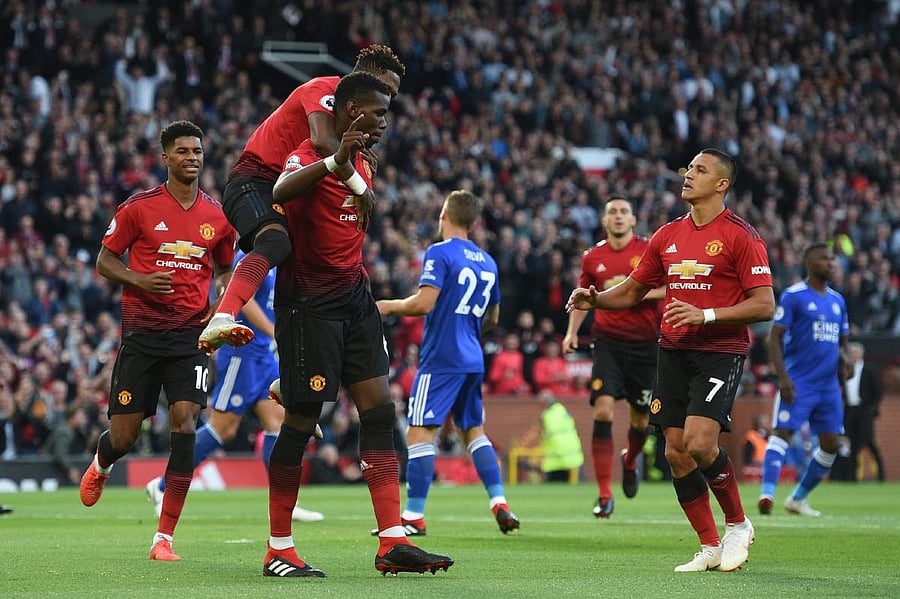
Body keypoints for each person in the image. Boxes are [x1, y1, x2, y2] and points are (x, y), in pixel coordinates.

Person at [260, 71, 453, 578]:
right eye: (378, 112)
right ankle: (278, 548)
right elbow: (280, 187)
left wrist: (351, 165)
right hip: (308, 304)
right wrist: (335, 161)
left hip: (356, 298)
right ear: (350, 111)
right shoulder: (309, 151)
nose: (385, 122)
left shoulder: (366, 159)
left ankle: (391, 540)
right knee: (302, 419)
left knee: (379, 411)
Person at [567, 148, 774, 572]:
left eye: (700, 170)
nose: (688, 175)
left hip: (719, 352)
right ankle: (709, 545)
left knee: (700, 443)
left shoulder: (742, 236)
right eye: (688, 168)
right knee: (676, 452)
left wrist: (707, 315)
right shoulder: (667, 235)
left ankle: (737, 524)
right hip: (672, 350)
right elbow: (632, 290)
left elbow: (765, 304)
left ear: (721, 184)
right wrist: (596, 299)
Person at [78, 120, 237, 563]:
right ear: (164, 158)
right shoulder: (139, 208)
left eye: (198, 151)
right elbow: (105, 260)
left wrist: (221, 298)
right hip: (143, 338)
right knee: (126, 437)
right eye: (183, 151)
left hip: (191, 337)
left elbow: (226, 268)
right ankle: (101, 464)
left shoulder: (217, 215)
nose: (192, 157)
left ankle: (164, 537)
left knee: (185, 423)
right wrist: (139, 279)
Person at [197, 44, 405, 354]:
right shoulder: (324, 87)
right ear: (366, 78)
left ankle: (296, 369)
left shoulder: (350, 125)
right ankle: (223, 316)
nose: (388, 100)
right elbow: (322, 142)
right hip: (257, 180)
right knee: (275, 243)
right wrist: (360, 185)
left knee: (325, 259)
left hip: (299, 186)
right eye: (387, 89)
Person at [375, 189, 520, 536]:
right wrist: (469, 330)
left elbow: (424, 303)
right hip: (473, 357)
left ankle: (413, 516)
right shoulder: (488, 261)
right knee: (474, 431)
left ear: (444, 215)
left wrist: (386, 306)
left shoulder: (439, 252)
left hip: (441, 358)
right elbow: (494, 316)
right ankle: (498, 501)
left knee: (420, 433)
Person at [145, 251, 323, 522]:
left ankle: (285, 502)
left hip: (263, 355)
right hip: (241, 352)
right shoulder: (249, 257)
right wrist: (274, 331)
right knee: (222, 428)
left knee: (277, 424)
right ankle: (162, 486)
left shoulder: (276, 259)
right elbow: (242, 298)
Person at [562, 196, 664, 518]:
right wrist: (571, 332)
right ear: (605, 221)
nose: (618, 217)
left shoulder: (648, 251)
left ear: (633, 220)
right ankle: (605, 494)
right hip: (607, 342)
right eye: (612, 213)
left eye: (623, 212)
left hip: (645, 345)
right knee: (603, 411)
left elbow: (670, 287)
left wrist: (632, 291)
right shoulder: (593, 257)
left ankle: (630, 460)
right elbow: (583, 299)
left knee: (641, 420)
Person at [759, 243, 851, 516]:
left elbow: (843, 343)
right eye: (825, 259)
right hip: (798, 381)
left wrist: (846, 361)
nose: (831, 263)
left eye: (833, 259)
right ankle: (767, 494)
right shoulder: (794, 296)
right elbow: (774, 337)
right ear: (810, 264)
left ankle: (797, 499)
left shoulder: (838, 301)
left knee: (831, 444)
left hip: (828, 387)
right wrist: (783, 376)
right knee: (783, 433)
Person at [843, 341, 885, 481]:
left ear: (861, 355)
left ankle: (881, 475)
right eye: (851, 353)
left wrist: (872, 409)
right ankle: (852, 477)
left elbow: (878, 392)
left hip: (864, 411)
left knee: (869, 441)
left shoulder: (869, 370)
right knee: (851, 444)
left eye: (855, 353)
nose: (853, 356)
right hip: (850, 411)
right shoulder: (845, 369)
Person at [43, 404, 94, 485]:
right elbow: (60, 453)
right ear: (72, 418)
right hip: (48, 470)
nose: (84, 418)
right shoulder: (64, 432)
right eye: (81, 416)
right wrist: (71, 469)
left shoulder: (78, 431)